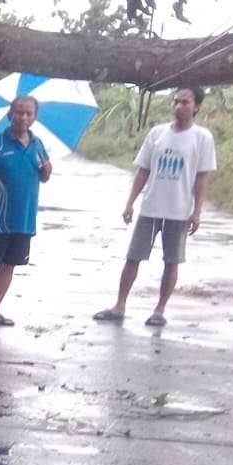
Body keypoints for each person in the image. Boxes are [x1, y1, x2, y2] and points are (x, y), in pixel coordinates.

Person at [93, 86, 217, 327]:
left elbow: (201, 178)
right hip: (150, 207)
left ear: (196, 107)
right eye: (176, 101)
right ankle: (119, 305)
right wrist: (130, 203)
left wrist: (197, 212)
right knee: (133, 258)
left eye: (185, 102)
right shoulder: (157, 133)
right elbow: (143, 171)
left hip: (179, 211)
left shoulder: (202, 138)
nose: (179, 106)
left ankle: (159, 310)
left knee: (172, 261)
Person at [0, 95, 51, 328]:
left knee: (9, 265)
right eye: (19, 112)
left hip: (23, 219)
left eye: (29, 113)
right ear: (10, 114)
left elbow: (44, 177)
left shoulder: (38, 144)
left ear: (35, 117)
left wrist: (47, 168)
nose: (24, 117)